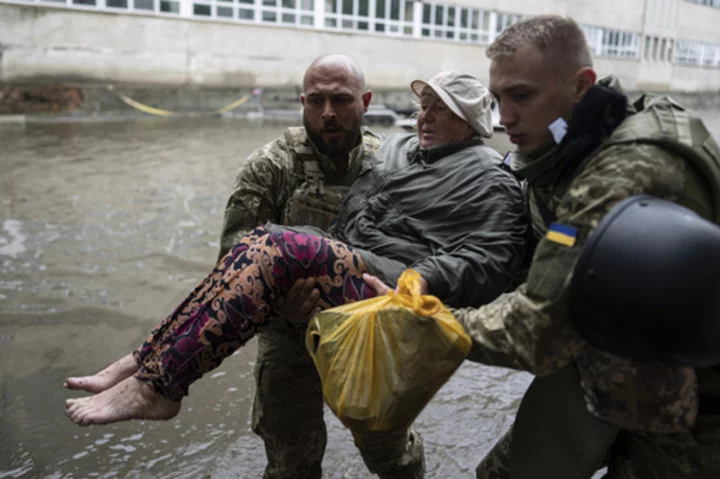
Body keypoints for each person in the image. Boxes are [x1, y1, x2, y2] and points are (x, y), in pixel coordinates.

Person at [64, 70, 529, 479]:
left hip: (383, 294)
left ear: (470, 123)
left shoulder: (488, 177)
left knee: (383, 443)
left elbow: (493, 260)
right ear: (302, 101)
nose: (424, 117)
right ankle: (150, 366)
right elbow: (232, 262)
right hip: (298, 314)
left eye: (439, 110)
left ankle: (159, 382)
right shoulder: (385, 152)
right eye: (422, 106)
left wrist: (421, 279)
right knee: (262, 243)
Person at [413, 14, 720, 479]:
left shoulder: (628, 169)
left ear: (582, 85)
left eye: (522, 95)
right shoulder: (562, 148)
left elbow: (539, 331)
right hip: (605, 363)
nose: (505, 117)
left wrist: (418, 321)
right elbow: (532, 265)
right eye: (497, 99)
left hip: (692, 410)